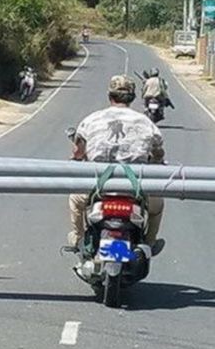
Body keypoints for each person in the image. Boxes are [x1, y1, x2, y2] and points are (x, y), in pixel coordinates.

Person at [68, 74, 165, 254]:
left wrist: (77, 159)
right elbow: (158, 153)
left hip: (98, 186)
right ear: (133, 97)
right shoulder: (146, 123)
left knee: (75, 199)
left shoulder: (90, 120)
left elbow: (78, 152)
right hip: (135, 188)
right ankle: (150, 243)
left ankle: (79, 238)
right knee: (157, 206)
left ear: (110, 96)